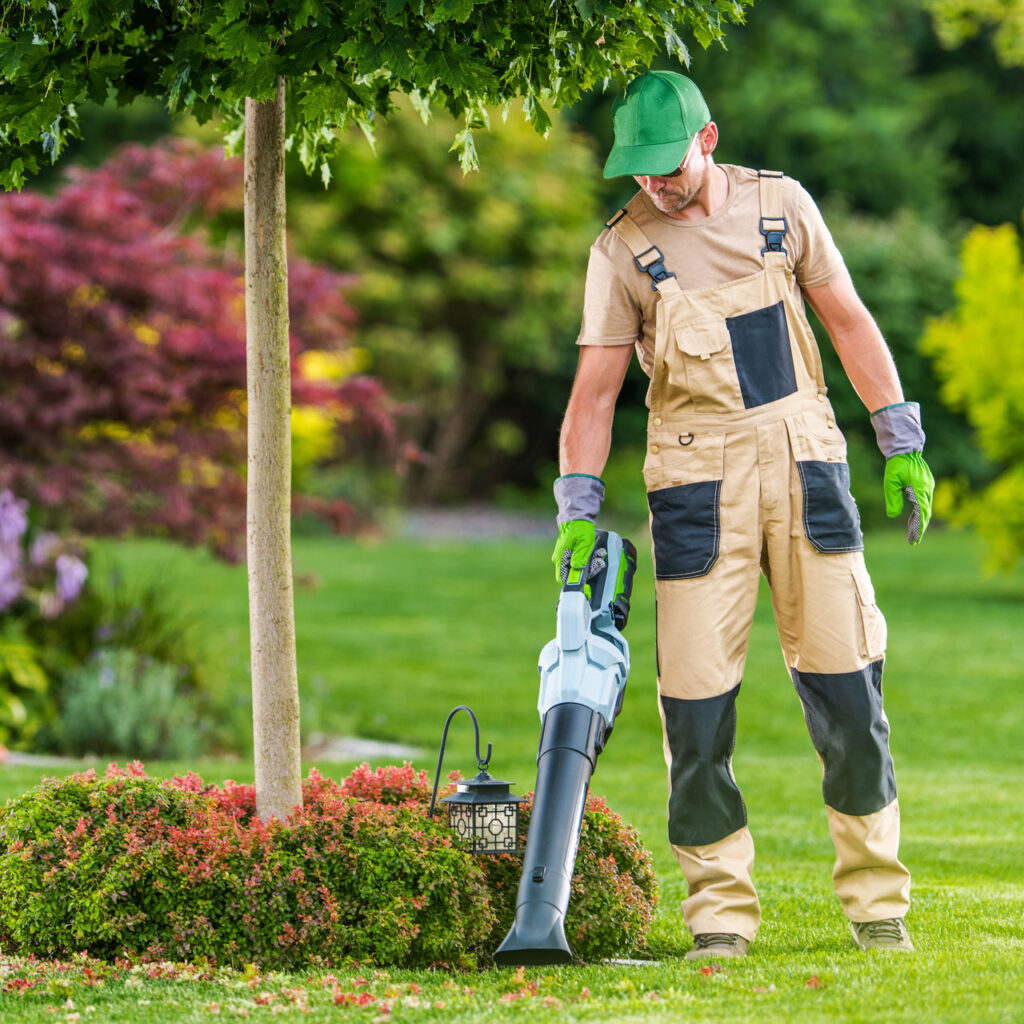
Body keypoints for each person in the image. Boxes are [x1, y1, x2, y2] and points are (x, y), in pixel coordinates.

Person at [551, 71, 935, 960]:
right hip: (694, 482)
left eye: (667, 165)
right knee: (696, 712)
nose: (655, 183)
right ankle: (719, 916)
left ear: (708, 139)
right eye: (638, 172)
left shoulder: (783, 208)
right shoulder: (621, 253)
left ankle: (878, 904)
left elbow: (847, 320)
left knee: (849, 692)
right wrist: (578, 503)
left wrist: (900, 436)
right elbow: (595, 394)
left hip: (805, 462)